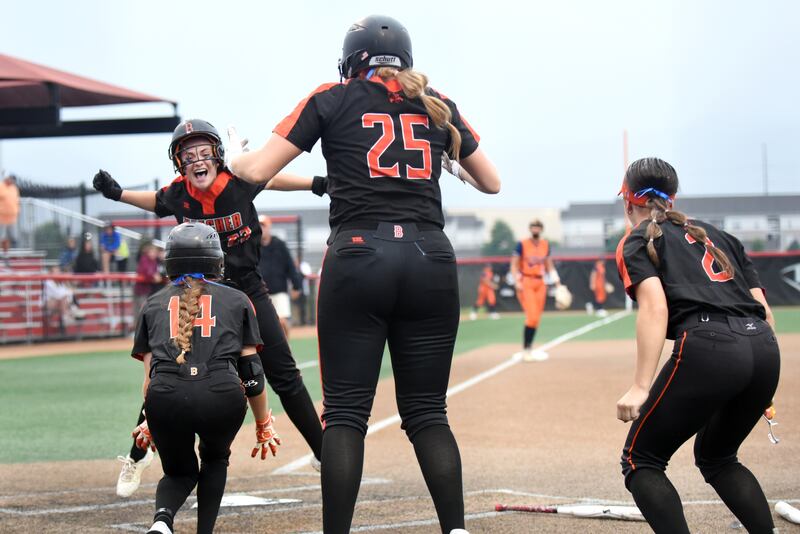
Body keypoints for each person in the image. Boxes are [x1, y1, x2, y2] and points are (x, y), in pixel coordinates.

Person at [228, 14, 500, 534]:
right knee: (428, 413)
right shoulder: (436, 102)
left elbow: (257, 172)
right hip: (430, 256)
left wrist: (238, 158)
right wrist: (450, 163)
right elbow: (492, 182)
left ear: (352, 61)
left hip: (358, 253)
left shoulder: (333, 97)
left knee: (347, 415)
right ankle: (457, 530)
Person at [93, 119, 323, 495]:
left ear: (217, 155)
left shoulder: (236, 179)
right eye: (188, 154)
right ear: (179, 163)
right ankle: (137, 456)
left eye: (203, 152)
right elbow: (156, 202)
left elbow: (271, 178)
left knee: (284, 374)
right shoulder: (180, 193)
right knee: (167, 369)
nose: (197, 159)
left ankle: (323, 452)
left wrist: (316, 184)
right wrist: (118, 194)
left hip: (247, 288)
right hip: (196, 293)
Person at [615, 157, 780, 534]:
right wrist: (761, 384)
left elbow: (655, 308)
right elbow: (765, 313)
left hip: (709, 345)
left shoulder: (637, 240)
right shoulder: (719, 236)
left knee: (642, 460)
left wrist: (641, 386)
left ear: (628, 201)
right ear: (671, 199)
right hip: (764, 348)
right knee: (719, 457)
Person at [130, 223, 279, 534]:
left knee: (178, 473)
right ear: (216, 260)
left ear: (170, 262)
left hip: (165, 396)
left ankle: (162, 520)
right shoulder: (238, 299)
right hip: (221, 395)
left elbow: (149, 379)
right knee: (214, 459)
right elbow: (251, 372)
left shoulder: (152, 303)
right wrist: (263, 423)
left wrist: (149, 420)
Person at [509, 220, 561, 362]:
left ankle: (529, 348)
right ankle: (526, 349)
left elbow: (549, 265)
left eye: (538, 227)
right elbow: (514, 265)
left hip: (540, 282)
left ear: (541, 229)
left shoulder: (545, 244)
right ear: (530, 229)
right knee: (531, 316)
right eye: (533, 226)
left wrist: (557, 282)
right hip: (526, 281)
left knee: (536, 318)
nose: (535, 229)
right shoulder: (523, 244)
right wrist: (517, 281)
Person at [257, 215, 303, 338]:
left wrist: (296, 286)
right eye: (259, 226)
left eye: (264, 226)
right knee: (262, 325)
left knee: (282, 322)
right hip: (261, 293)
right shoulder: (254, 246)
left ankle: (286, 347)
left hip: (279, 291)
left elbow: (290, 266)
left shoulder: (279, 244)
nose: (262, 229)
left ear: (269, 227)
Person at [133, 243, 163, 313]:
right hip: (140, 290)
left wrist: (155, 276)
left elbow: (155, 273)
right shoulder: (144, 259)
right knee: (140, 310)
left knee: (145, 310)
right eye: (151, 252)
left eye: (155, 252)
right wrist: (154, 276)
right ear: (148, 252)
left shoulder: (154, 261)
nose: (153, 254)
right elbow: (147, 271)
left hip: (148, 290)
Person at [0, 174, 20, 256]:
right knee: (2, 237)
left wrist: (18, 210)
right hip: (2, 217)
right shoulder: (1, 186)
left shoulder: (14, 188)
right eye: (10, 179)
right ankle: (3, 254)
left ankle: (12, 255)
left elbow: (16, 200)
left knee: (13, 237)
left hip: (12, 217)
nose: (12, 181)